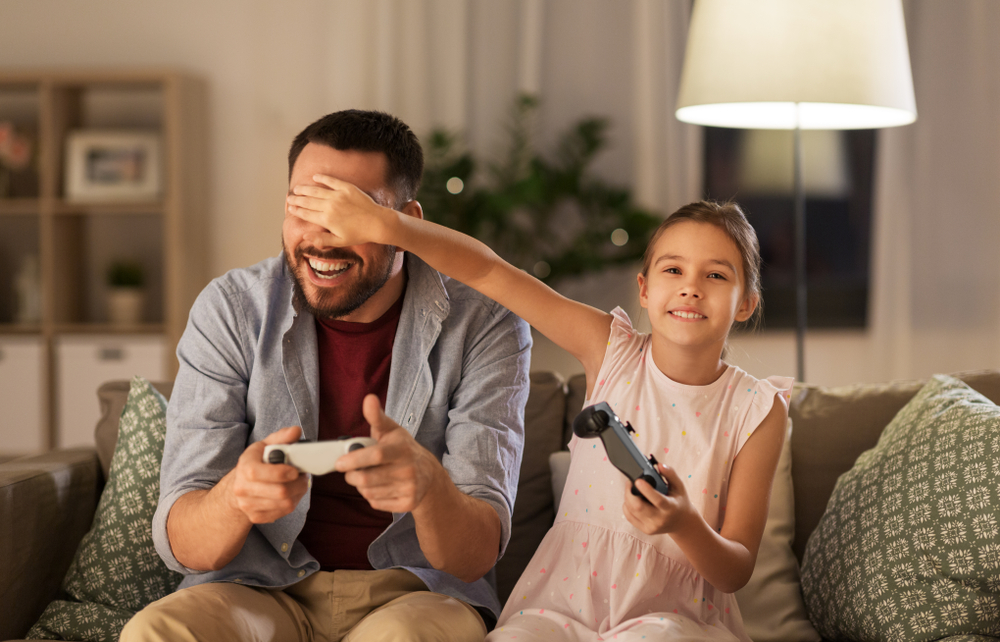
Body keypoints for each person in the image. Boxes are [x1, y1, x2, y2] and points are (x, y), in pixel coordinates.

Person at [284, 190, 791, 641]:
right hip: (562, 600)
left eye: (717, 275)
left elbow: (735, 570)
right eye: (673, 269)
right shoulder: (610, 350)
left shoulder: (757, 410)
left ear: (746, 303)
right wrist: (391, 228)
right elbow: (489, 272)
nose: (691, 287)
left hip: (673, 617)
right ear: (643, 288)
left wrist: (683, 524)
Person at [121, 110, 532, 642]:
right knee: (157, 630)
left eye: (351, 212)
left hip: (417, 593)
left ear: (406, 221)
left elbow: (473, 555)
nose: (321, 237)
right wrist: (237, 496)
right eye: (303, 206)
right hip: (256, 587)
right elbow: (186, 541)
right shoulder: (231, 309)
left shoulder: (486, 323)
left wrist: (428, 487)